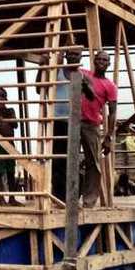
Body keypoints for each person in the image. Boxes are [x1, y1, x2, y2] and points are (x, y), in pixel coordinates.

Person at [77, 50, 118, 208]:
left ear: (108, 64)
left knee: (93, 163)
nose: (101, 62)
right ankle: (68, 198)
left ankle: (88, 201)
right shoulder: (83, 73)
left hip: (91, 125)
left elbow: (113, 112)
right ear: (94, 61)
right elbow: (68, 67)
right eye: (99, 59)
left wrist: (109, 137)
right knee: (69, 161)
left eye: (105, 60)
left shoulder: (110, 86)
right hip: (74, 122)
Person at [51, 50, 81, 201]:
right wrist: (51, 64)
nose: (73, 57)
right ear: (66, 56)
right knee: (57, 160)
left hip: (74, 122)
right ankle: (58, 195)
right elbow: (39, 87)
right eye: (71, 54)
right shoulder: (58, 71)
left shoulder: (82, 75)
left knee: (73, 159)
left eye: (77, 54)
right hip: (57, 121)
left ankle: (72, 194)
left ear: (81, 57)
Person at [0, 87, 18, 204]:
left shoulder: (10, 110)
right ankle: (1, 198)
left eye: (2, 96)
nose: (0, 98)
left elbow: (15, 124)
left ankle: (11, 198)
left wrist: (1, 119)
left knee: (11, 171)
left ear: (6, 99)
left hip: (10, 143)